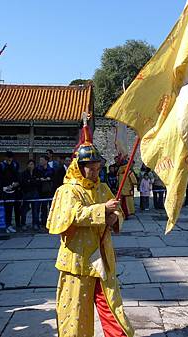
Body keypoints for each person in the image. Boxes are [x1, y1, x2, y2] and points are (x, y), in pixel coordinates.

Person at [46, 132, 134, 337]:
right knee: (75, 315)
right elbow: (73, 214)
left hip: (102, 258)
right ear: (79, 168)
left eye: (98, 169)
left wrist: (115, 218)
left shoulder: (103, 188)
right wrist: (103, 210)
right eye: (91, 169)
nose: (95, 173)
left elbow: (117, 211)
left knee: (112, 308)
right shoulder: (68, 191)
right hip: (77, 261)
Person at [0, 151, 21, 233]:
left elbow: (17, 175)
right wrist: (2, 188)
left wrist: (16, 183)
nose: (9, 159)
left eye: (11, 158)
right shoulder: (1, 165)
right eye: (8, 158)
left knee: (11, 208)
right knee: (4, 208)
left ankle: (9, 224)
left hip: (13, 189)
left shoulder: (15, 164)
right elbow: (0, 178)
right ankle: (4, 224)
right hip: (4, 189)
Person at [20, 159, 40, 231]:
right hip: (27, 193)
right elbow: (23, 183)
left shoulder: (37, 172)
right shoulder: (24, 173)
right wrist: (31, 181)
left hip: (35, 192)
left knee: (35, 209)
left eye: (32, 164)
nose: (31, 166)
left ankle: (35, 224)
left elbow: (38, 182)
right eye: (29, 164)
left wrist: (31, 181)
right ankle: (23, 224)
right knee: (24, 209)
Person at [37, 155, 54, 230]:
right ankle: (43, 223)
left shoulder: (51, 170)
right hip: (41, 190)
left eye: (42, 160)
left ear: (46, 161)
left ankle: (51, 222)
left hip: (49, 190)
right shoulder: (37, 169)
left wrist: (49, 179)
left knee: (51, 207)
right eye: (40, 160)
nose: (40, 162)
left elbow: (54, 179)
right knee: (43, 208)